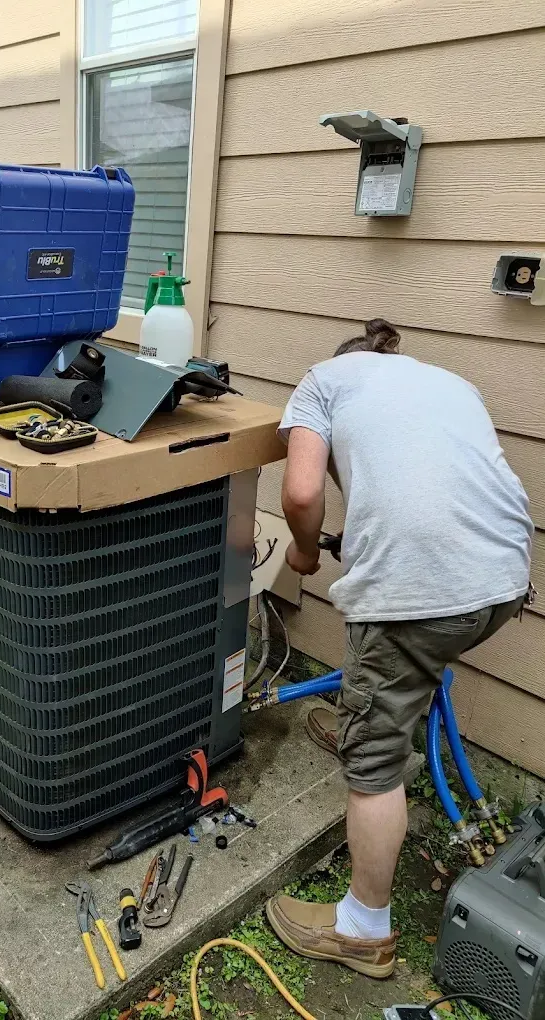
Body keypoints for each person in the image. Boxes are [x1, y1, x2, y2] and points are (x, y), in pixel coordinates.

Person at [265, 318, 534, 979]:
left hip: (424, 585)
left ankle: (362, 930)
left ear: (340, 363)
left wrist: (302, 549)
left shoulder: (323, 382)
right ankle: (379, 723)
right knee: (405, 670)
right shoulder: (447, 382)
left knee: (372, 757)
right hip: (503, 581)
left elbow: (300, 492)